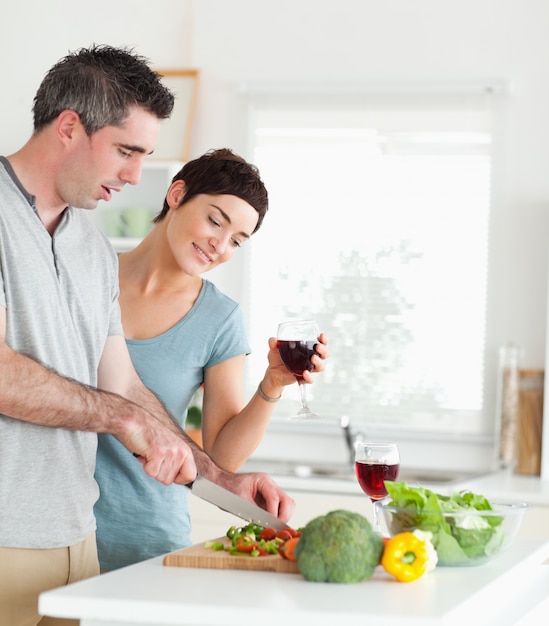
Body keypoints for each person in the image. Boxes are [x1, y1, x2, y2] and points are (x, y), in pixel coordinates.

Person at [0, 44, 295, 626]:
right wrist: (119, 419)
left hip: (75, 535)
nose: (135, 176)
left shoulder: (89, 246)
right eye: (125, 151)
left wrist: (220, 477)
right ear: (68, 127)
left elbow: (125, 385)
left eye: (144, 156)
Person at [94, 149, 329, 571]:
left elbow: (221, 460)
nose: (219, 245)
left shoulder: (219, 318)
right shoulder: (86, 275)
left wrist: (271, 385)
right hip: (55, 533)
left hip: (145, 539)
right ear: (177, 194)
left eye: (237, 240)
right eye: (215, 220)